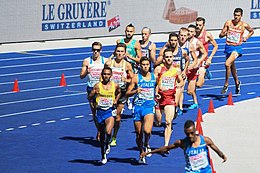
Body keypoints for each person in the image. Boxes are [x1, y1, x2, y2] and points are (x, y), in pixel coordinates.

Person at [141, 120, 227, 172]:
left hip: (206, 171)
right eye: (187, 134)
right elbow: (166, 148)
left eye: (192, 133)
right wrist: (150, 152)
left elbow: (214, 147)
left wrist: (222, 155)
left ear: (195, 131)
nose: (190, 136)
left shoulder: (205, 140)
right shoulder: (182, 143)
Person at [126, 56, 157, 164]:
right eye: (143, 64)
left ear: (150, 65)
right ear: (140, 66)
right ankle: (141, 152)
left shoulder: (154, 77)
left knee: (147, 131)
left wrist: (157, 94)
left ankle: (147, 143)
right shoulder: (136, 78)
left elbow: (158, 88)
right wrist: (135, 91)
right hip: (138, 107)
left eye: (147, 64)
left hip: (149, 107)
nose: (145, 66)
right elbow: (127, 93)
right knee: (139, 134)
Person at [88, 67, 121, 164]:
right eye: (104, 74)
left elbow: (119, 92)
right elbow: (89, 97)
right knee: (101, 136)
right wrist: (93, 94)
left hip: (109, 111)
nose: (106, 76)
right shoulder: (97, 86)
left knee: (108, 131)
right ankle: (103, 154)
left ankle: (108, 141)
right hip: (100, 112)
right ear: (102, 75)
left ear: (111, 75)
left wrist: (116, 100)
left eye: (108, 74)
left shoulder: (115, 85)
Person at [219, 8, 254, 94]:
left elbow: (251, 31)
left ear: (241, 16)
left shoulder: (244, 25)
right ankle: (237, 83)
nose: (236, 17)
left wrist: (246, 37)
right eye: (235, 15)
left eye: (238, 15)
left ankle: (226, 84)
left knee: (227, 64)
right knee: (232, 67)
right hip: (228, 47)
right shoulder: (228, 23)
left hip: (237, 48)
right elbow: (220, 35)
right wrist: (225, 33)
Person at [105, 43, 133, 146]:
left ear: (125, 53)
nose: (120, 53)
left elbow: (133, 79)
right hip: (109, 92)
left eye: (122, 51)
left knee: (117, 117)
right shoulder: (109, 64)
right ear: (115, 52)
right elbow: (103, 75)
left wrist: (126, 79)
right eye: (118, 51)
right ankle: (105, 132)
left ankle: (114, 136)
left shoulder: (127, 65)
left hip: (121, 92)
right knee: (107, 115)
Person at [154, 48, 184, 147]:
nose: (169, 59)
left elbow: (181, 81)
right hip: (159, 98)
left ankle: (166, 145)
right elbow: (153, 82)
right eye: (167, 57)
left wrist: (178, 87)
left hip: (169, 98)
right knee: (158, 122)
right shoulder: (159, 69)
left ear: (173, 58)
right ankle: (160, 119)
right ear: (163, 59)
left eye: (170, 57)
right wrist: (156, 91)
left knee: (167, 122)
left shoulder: (177, 70)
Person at [80, 41, 107, 141]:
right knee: (95, 112)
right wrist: (86, 72)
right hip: (91, 88)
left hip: (102, 89)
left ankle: (103, 129)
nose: (95, 52)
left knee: (102, 110)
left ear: (101, 50)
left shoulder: (105, 61)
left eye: (98, 50)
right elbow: (81, 76)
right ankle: (99, 130)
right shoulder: (87, 61)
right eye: (94, 50)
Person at [186, 24, 207, 110]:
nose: (189, 33)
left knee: (191, 89)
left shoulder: (197, 42)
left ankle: (204, 73)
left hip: (194, 67)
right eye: (188, 31)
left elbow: (204, 53)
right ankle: (195, 102)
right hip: (185, 66)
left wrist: (198, 61)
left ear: (194, 33)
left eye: (191, 32)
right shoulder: (184, 40)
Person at [195, 17, 219, 87]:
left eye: (200, 25)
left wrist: (210, 58)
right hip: (195, 60)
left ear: (203, 25)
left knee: (198, 85)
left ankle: (205, 72)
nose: (198, 27)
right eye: (197, 25)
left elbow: (216, 46)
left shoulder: (207, 35)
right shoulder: (193, 34)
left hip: (203, 60)